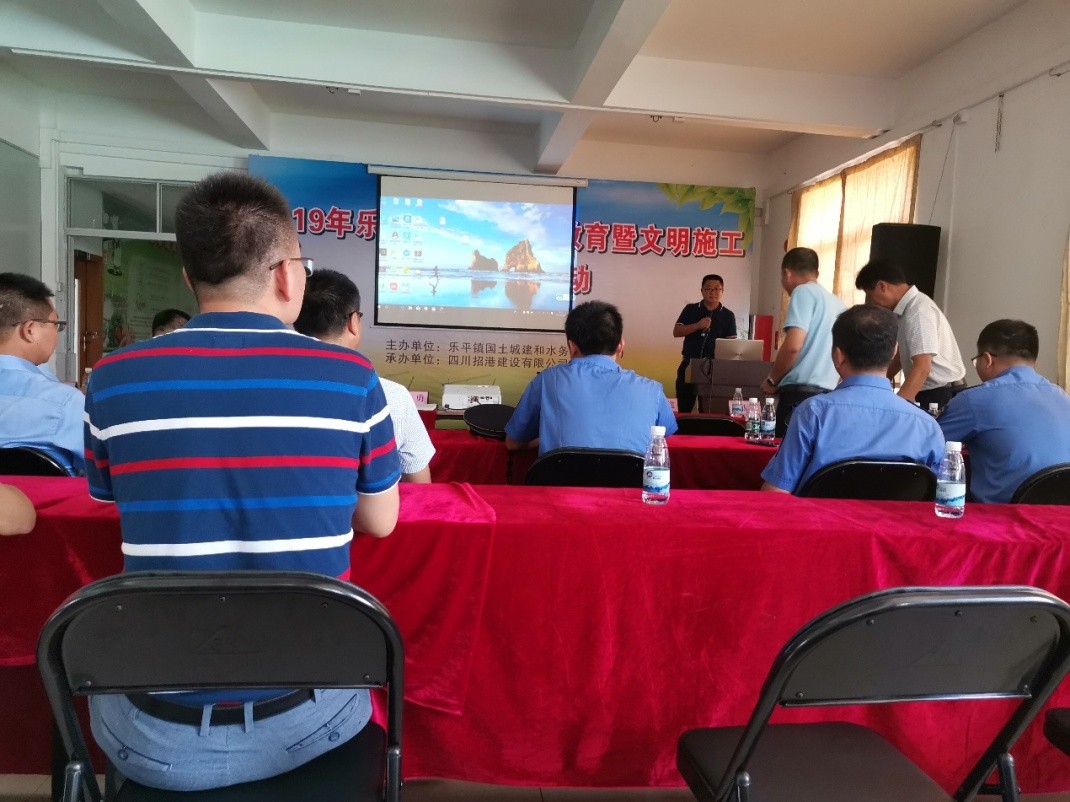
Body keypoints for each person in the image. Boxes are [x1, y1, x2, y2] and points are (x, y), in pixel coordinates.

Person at [83, 172, 402, 792]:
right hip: (307, 721)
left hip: (151, 733)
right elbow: (380, 521)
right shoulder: (352, 377)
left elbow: (114, 497)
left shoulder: (112, 378)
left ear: (190, 278)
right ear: (286, 275)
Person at [761, 305, 944, 494]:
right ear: (894, 351)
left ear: (838, 356)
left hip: (820, 514)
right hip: (898, 515)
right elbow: (943, 499)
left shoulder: (812, 413)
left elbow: (776, 494)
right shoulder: (928, 427)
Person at [295, 268, 435, 482]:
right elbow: (419, 482)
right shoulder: (392, 396)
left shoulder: (270, 389)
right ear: (353, 322)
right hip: (372, 503)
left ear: (296, 321)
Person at [505, 300, 677, 455]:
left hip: (562, 481)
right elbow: (662, 440)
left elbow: (513, 443)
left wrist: (546, 438)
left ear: (571, 346)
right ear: (620, 346)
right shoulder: (653, 390)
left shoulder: (547, 380)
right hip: (630, 481)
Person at [939, 319, 1070, 503]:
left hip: (1004, 513)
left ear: (987, 359)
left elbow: (928, 443)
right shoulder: (1063, 396)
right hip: (1061, 513)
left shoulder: (975, 399)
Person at [0, 273, 85, 475]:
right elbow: (103, 475)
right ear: (30, 330)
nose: (57, 332)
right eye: (56, 324)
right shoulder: (65, 403)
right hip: (42, 497)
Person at [855, 259, 966, 409]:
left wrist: (896, 408)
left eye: (870, 295)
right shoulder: (905, 311)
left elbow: (922, 367)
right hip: (932, 391)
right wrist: (878, 382)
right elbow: (901, 356)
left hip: (939, 393)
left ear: (882, 286)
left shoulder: (918, 311)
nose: (871, 302)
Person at [760, 248, 846, 438]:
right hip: (829, 397)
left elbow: (793, 346)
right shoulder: (838, 303)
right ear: (817, 273)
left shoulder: (802, 292)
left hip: (799, 397)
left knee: (788, 453)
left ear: (787, 273)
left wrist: (772, 380)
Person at [673, 274, 737, 412]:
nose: (713, 292)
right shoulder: (691, 309)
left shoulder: (728, 315)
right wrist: (697, 325)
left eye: (717, 289)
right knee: (683, 409)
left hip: (714, 369)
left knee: (709, 411)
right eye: (708, 288)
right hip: (689, 365)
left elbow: (731, 346)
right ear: (702, 291)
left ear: (722, 291)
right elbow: (676, 332)